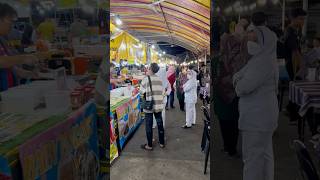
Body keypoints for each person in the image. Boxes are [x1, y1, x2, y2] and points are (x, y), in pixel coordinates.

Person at [233, 12, 279, 180]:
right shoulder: (262, 59)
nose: (249, 41)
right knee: (265, 156)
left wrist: (238, 82)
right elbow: (237, 76)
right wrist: (238, 80)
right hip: (262, 118)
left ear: (264, 42)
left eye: (254, 39)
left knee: (252, 160)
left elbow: (241, 87)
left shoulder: (262, 62)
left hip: (256, 119)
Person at [213, 18, 249, 157]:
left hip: (227, 97)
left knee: (228, 123)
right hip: (228, 98)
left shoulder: (234, 60)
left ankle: (230, 147)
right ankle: (229, 147)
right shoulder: (237, 60)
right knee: (229, 123)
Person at [0, 3, 41, 92]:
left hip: (7, 92)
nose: (12, 26)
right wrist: (23, 58)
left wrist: (28, 74)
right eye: (10, 21)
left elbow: (10, 67)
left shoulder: (2, 40)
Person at [140, 63, 165, 150]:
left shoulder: (145, 79)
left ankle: (149, 145)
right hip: (158, 105)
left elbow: (141, 91)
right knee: (160, 124)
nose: (147, 69)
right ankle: (162, 142)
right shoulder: (159, 79)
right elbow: (162, 91)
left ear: (150, 69)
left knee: (149, 125)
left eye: (148, 68)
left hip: (149, 106)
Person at [284, 8, 307, 81]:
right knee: (295, 85)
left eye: (303, 19)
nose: (303, 21)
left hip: (297, 62)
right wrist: (302, 65)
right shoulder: (289, 31)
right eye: (300, 19)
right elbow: (295, 51)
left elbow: (299, 46)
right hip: (293, 63)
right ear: (293, 19)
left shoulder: (297, 30)